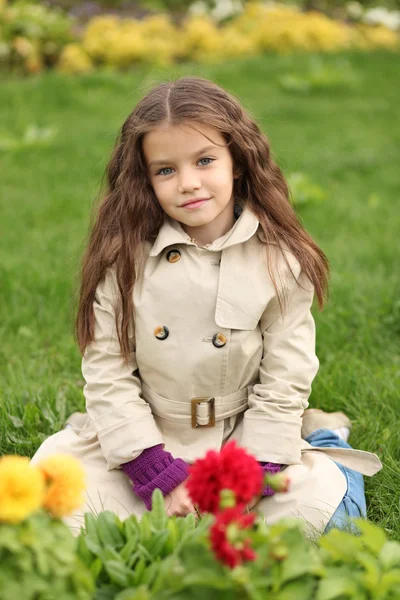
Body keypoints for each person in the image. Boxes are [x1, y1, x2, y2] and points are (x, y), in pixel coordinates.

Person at [30, 76, 382, 536]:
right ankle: (110, 440)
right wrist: (154, 471)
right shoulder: (124, 260)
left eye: (205, 160)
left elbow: (286, 373)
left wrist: (255, 472)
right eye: (166, 170)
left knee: (328, 525)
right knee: (51, 509)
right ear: (145, 179)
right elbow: (107, 372)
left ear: (237, 161)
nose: (188, 183)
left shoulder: (278, 260)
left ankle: (322, 438)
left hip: (241, 437)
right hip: (154, 435)